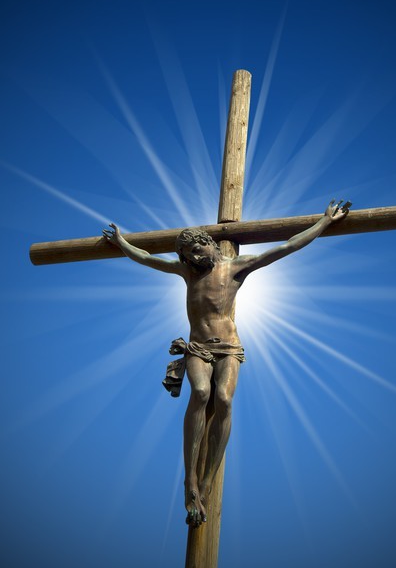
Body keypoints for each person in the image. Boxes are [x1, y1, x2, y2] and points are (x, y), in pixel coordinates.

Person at [103, 199, 351, 527]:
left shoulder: (236, 267)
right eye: (187, 256)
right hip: (198, 347)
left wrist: (324, 222)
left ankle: (206, 481)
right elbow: (149, 258)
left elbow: (287, 246)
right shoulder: (187, 272)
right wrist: (122, 242)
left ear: (208, 243)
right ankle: (190, 481)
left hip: (230, 348)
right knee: (201, 392)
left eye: (195, 251)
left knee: (223, 399)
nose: (192, 258)